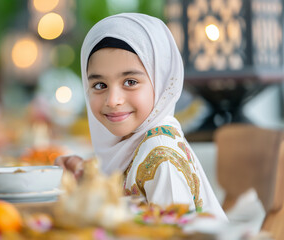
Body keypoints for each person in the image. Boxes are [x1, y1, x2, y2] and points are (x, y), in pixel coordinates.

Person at [55, 13, 227, 220]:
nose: (113, 100)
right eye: (100, 85)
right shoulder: (136, 142)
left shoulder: (161, 158)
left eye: (130, 82)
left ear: (160, 81)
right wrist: (86, 178)